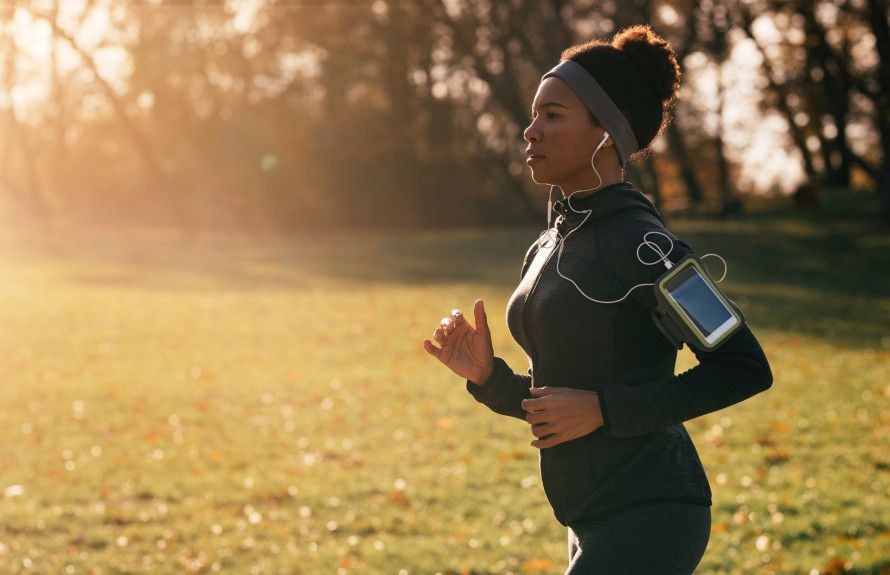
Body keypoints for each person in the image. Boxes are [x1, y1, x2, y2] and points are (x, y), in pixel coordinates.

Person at [422, 24, 773, 575]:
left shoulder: (645, 246)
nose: (530, 131)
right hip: (589, 514)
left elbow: (745, 367)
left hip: (652, 514)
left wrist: (606, 409)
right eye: (534, 114)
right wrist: (491, 379)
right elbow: (562, 408)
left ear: (605, 133)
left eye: (553, 115)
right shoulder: (552, 241)